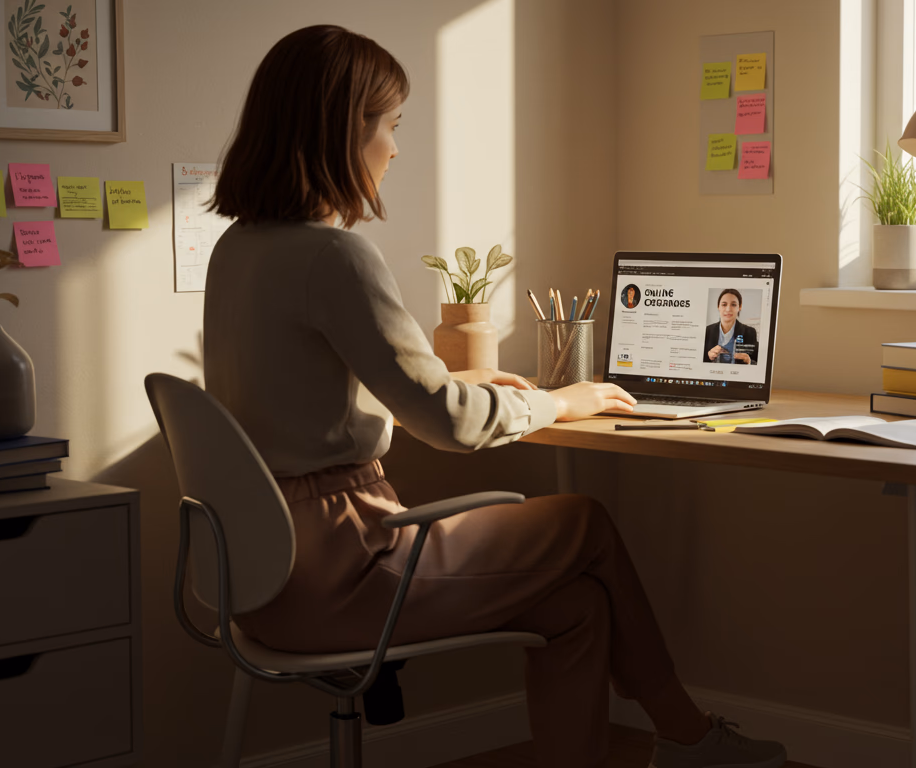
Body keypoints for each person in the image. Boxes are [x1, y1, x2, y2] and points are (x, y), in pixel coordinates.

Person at [201, 25, 785, 768]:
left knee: (576, 608)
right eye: (391, 125)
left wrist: (467, 383)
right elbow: (447, 426)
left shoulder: (239, 249)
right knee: (588, 523)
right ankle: (688, 735)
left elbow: (304, 398)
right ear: (344, 127)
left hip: (266, 571)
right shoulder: (333, 255)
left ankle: (676, 740)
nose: (396, 148)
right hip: (345, 565)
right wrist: (564, 402)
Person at [701, 289, 759, 364]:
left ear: (740, 307)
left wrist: (749, 361)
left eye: (733, 305)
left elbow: (759, 363)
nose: (728, 309)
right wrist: (708, 356)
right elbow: (697, 361)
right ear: (718, 307)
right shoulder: (707, 331)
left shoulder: (750, 332)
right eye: (724, 304)